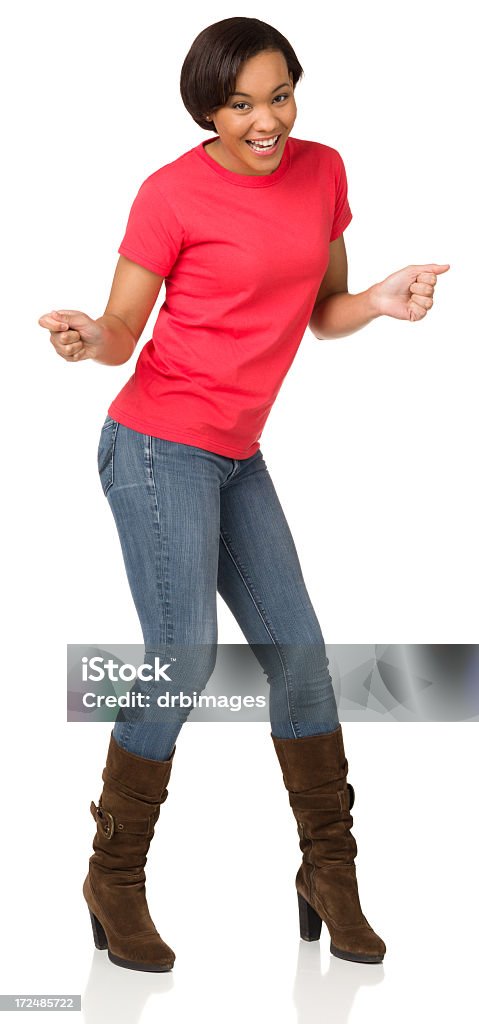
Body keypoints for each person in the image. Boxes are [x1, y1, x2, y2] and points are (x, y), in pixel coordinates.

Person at [38, 16, 449, 973]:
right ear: (207, 110)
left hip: (235, 453)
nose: (265, 120)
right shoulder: (170, 194)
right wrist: (82, 338)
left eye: (278, 95)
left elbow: (320, 313)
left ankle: (328, 875)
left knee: (300, 657)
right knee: (181, 656)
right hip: (154, 446)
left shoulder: (323, 170)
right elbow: (120, 330)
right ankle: (114, 875)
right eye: (240, 104)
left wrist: (379, 300)